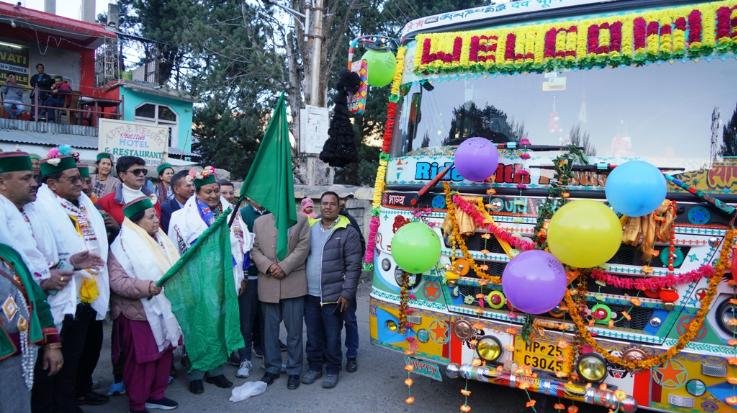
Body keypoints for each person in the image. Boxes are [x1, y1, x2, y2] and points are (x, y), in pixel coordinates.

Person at [32, 151, 111, 411]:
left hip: (89, 289)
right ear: (52, 184)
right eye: (73, 179)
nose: (81, 183)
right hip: (62, 294)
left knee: (80, 354)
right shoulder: (42, 208)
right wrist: (70, 265)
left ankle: (74, 396)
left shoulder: (83, 203)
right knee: (56, 359)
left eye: (80, 178)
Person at [167, 166, 250, 395]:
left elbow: (241, 244)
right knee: (198, 325)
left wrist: (240, 274)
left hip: (223, 277)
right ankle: (196, 371)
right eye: (208, 192)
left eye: (215, 191)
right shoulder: (180, 218)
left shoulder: (231, 212)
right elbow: (175, 253)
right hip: (197, 281)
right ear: (196, 193)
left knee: (220, 323)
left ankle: (215, 370)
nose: (213, 196)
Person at [0, 151, 65, 412]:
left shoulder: (10, 254)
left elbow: (31, 291)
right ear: (2, 183)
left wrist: (51, 342)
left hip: (16, 351)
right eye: (26, 177)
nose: (34, 183)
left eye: (33, 177)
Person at [108, 196, 181, 413]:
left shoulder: (160, 239)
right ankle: (138, 402)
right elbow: (117, 282)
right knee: (143, 359)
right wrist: (147, 287)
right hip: (138, 313)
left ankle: (156, 395)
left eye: (156, 215)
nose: (157, 220)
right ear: (136, 222)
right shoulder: (122, 245)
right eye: (151, 217)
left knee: (164, 352)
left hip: (163, 307)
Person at [301, 191, 362, 389]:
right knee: (313, 335)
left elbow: (354, 266)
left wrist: (346, 293)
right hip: (310, 293)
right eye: (324, 203)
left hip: (334, 296)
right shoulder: (311, 228)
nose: (327, 207)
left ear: (339, 207)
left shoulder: (347, 231)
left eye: (332, 204)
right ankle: (314, 367)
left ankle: (333, 370)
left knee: (332, 335)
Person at [251, 205, 310, 390]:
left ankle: (294, 370)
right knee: (269, 332)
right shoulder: (259, 222)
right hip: (268, 283)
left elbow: (303, 248)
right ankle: (272, 367)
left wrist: (284, 266)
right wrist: (269, 266)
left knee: (294, 332)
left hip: (293, 283)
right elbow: (254, 249)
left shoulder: (301, 220)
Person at [96, 155, 161, 225]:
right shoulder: (106, 202)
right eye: (136, 171)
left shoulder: (152, 199)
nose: (141, 174)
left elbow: (159, 227)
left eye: (144, 171)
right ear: (122, 175)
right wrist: (118, 229)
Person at [339, 198, 364, 372]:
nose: (329, 208)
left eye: (335, 204)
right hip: (327, 282)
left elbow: (360, 246)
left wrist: (349, 270)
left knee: (349, 319)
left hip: (345, 279)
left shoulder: (349, 222)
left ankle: (352, 354)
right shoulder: (318, 222)